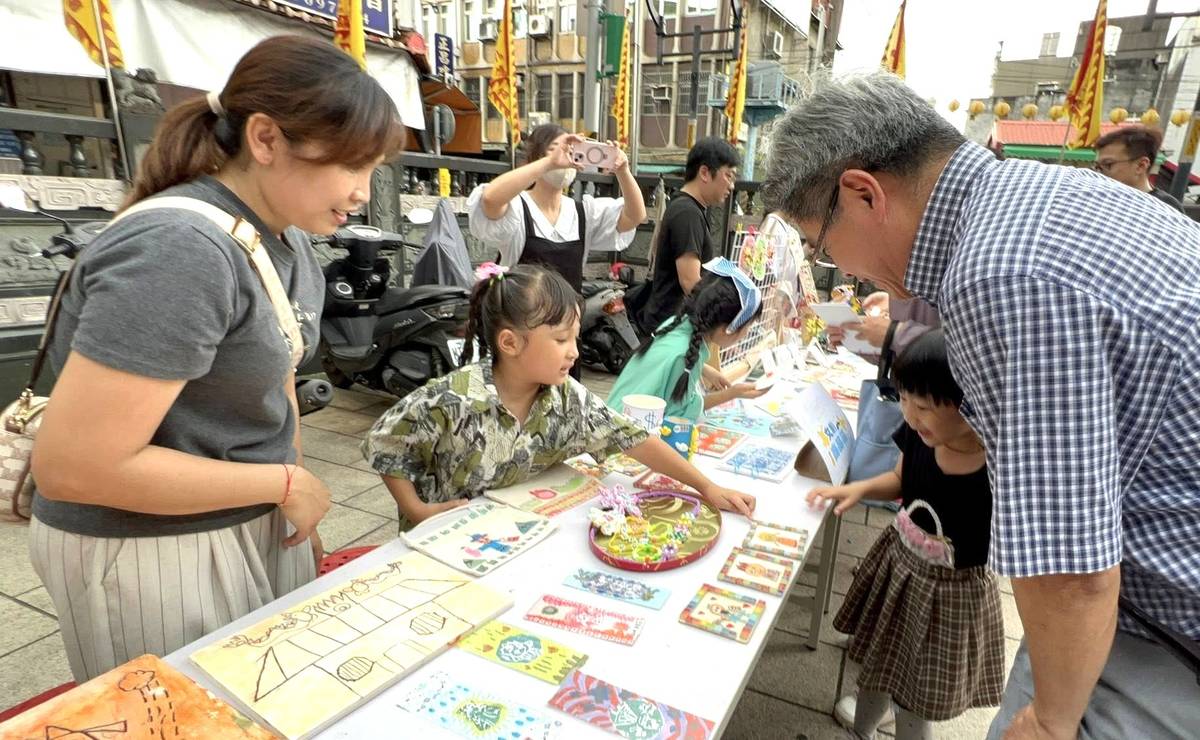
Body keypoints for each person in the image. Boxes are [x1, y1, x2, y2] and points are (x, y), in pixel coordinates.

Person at [761, 71, 1200, 739]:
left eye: (823, 247)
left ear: (862, 193)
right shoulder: (1039, 197)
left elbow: (1072, 563)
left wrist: (1052, 721)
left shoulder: (998, 273)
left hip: (1158, 636)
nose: (841, 270)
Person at [27, 35, 403, 682]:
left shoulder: (281, 239)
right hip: (149, 545)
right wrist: (284, 484)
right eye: (352, 166)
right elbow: (76, 468)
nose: (363, 193)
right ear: (265, 139)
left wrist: (290, 499)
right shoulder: (182, 248)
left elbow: (275, 388)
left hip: (246, 517)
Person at [361, 263, 756, 526]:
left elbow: (634, 438)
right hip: (444, 548)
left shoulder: (567, 399)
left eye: (575, 337)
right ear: (511, 343)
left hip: (510, 536)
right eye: (561, 339)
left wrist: (706, 487)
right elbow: (386, 443)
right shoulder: (454, 398)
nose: (574, 350)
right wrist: (415, 509)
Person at [807, 330, 1004, 740]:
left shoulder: (999, 466)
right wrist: (858, 488)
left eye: (926, 406)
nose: (912, 416)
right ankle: (863, 727)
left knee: (916, 694)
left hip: (949, 596)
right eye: (906, 401)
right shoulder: (917, 435)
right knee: (879, 660)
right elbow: (899, 480)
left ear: (974, 403)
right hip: (897, 567)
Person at [607, 258, 767, 422]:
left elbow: (670, 360)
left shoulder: (677, 325)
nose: (747, 333)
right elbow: (680, 413)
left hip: (613, 420)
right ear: (728, 328)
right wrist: (731, 393)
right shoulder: (684, 355)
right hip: (625, 439)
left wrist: (705, 369)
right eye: (747, 326)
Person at [640, 137, 740, 333]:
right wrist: (720, 325)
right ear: (704, 172)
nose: (732, 186)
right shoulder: (687, 213)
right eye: (728, 176)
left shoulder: (689, 209)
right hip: (670, 327)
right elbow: (691, 282)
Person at [1094, 124, 1184, 212]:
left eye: (1108, 164)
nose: (1099, 173)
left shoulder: (1167, 207)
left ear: (1141, 165)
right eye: (1097, 166)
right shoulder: (1099, 198)